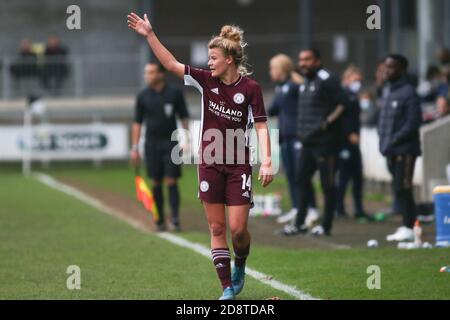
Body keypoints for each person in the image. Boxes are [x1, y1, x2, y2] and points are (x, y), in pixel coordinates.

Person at [127, 13, 273, 300]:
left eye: (213, 58)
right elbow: (170, 64)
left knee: (238, 230)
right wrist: (149, 35)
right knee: (217, 227)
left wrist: (267, 160)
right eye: (208, 58)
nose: (209, 63)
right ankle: (226, 288)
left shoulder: (251, 89)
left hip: (238, 165)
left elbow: (261, 125)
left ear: (229, 59)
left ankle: (240, 264)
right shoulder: (205, 81)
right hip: (209, 164)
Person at [281, 48, 348, 237]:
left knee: (327, 185)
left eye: (307, 59)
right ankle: (300, 222)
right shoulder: (305, 82)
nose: (303, 63)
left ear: (317, 60)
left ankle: (326, 225)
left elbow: (343, 103)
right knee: (301, 179)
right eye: (301, 60)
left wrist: (326, 124)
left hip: (325, 143)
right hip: (307, 142)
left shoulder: (328, 79)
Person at [131, 62, 190, 232]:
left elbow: (184, 116)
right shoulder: (142, 96)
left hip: (171, 143)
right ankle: (159, 218)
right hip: (151, 144)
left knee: (172, 181)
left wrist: (185, 138)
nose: (147, 76)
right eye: (146, 72)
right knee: (155, 182)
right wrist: (135, 148)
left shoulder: (174, 93)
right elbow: (137, 123)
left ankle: (176, 219)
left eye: (151, 72)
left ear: (161, 74)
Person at [267, 54, 318, 226]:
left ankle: (311, 208)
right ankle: (297, 207)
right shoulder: (281, 88)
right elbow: (273, 110)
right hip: (285, 137)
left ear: (281, 69)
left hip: (297, 136)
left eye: (273, 68)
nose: (270, 72)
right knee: (290, 174)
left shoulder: (295, 86)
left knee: (301, 174)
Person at [378, 54, 422, 242]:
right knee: (399, 189)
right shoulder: (388, 90)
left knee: (403, 188)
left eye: (391, 67)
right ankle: (407, 225)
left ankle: (409, 226)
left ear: (402, 69)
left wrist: (394, 140)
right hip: (391, 150)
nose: (387, 71)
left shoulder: (409, 92)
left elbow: (412, 122)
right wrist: (384, 142)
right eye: (386, 67)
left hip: (405, 150)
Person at [336, 65, 370, 222]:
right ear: (347, 79)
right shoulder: (343, 96)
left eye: (360, 80)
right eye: (355, 80)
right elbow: (341, 119)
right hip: (344, 143)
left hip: (353, 143)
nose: (358, 83)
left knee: (356, 176)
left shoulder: (354, 96)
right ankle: (340, 208)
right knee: (344, 177)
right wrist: (349, 134)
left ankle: (358, 209)